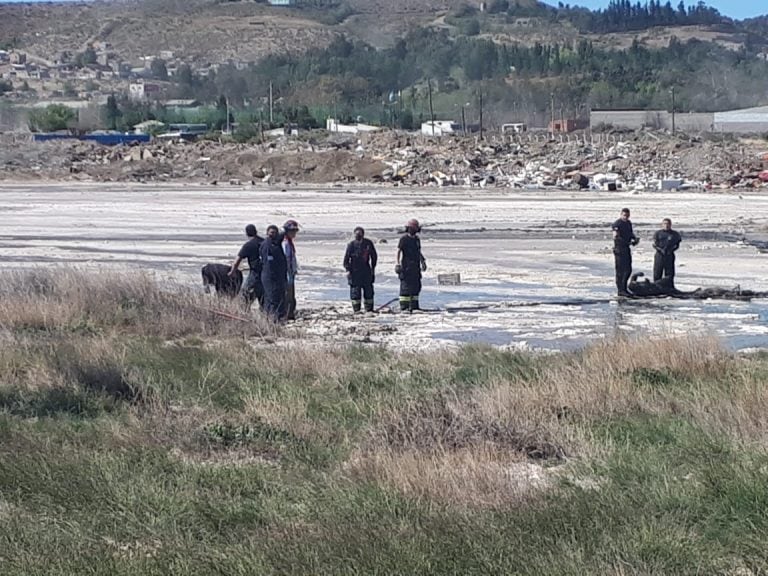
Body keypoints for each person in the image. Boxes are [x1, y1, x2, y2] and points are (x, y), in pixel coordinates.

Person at [343, 226, 378, 313]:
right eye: (356, 234)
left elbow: (374, 256)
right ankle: (356, 309)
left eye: (360, 234)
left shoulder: (368, 244)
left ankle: (369, 309)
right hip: (354, 271)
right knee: (355, 291)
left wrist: (373, 268)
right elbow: (346, 259)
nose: (358, 235)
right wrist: (348, 270)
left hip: (366, 270)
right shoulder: (351, 245)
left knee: (368, 290)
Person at [229, 224, 264, 310]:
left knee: (244, 298)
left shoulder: (249, 245)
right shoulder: (264, 242)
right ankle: (266, 319)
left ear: (247, 233)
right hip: (267, 275)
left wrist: (232, 271)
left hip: (255, 275)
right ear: (256, 231)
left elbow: (238, 259)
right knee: (264, 300)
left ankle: (244, 317)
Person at [396, 218, 427, 312]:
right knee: (405, 287)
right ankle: (404, 307)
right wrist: (397, 264)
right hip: (406, 267)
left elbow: (418, 251)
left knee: (416, 287)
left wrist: (423, 261)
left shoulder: (417, 239)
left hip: (415, 267)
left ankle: (414, 306)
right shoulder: (404, 239)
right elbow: (398, 251)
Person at [260, 225, 288, 321]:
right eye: (271, 232)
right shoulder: (267, 245)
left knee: (278, 295)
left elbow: (281, 237)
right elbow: (268, 263)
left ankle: (277, 317)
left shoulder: (275, 243)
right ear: (267, 233)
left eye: (275, 232)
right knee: (272, 297)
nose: (273, 234)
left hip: (278, 276)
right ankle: (272, 319)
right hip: (270, 275)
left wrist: (285, 230)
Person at [612, 208, 639, 297]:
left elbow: (630, 233)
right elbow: (616, 236)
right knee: (620, 270)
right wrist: (626, 242)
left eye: (627, 215)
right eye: (624, 215)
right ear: (621, 215)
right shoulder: (617, 224)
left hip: (626, 248)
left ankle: (624, 288)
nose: (626, 217)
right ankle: (620, 290)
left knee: (628, 269)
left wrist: (634, 239)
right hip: (619, 249)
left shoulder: (628, 223)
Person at [653, 218, 681, 285]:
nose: (666, 225)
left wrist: (671, 250)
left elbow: (677, 245)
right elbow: (654, 244)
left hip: (669, 255)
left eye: (668, 224)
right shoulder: (658, 233)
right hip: (659, 255)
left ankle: (669, 288)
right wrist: (660, 250)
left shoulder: (675, 234)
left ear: (670, 225)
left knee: (669, 273)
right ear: (662, 225)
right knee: (657, 272)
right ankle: (656, 287)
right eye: (665, 224)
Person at [282, 219, 300, 321]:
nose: (294, 233)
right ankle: (287, 314)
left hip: (290, 272)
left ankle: (290, 313)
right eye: (292, 231)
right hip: (287, 273)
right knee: (288, 294)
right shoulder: (285, 244)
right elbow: (286, 259)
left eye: (295, 231)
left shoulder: (289, 243)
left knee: (291, 294)